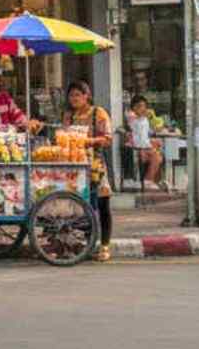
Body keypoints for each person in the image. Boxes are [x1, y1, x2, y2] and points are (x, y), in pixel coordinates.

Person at [63, 80, 114, 262]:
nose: (74, 99)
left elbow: (108, 139)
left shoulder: (98, 113)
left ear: (87, 96)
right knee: (82, 206)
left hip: (95, 165)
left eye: (78, 95)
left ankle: (105, 245)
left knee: (102, 204)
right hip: (74, 164)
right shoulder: (69, 116)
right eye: (71, 95)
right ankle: (87, 243)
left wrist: (88, 141)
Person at [127, 95, 167, 191]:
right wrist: (150, 145)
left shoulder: (144, 119)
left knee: (159, 152)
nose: (143, 109)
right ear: (134, 108)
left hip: (144, 147)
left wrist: (153, 139)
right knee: (157, 157)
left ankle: (156, 180)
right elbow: (139, 139)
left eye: (144, 106)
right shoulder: (132, 118)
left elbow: (147, 134)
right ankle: (148, 180)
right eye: (140, 106)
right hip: (137, 150)